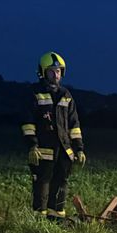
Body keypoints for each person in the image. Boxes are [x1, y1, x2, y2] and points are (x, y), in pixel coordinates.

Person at [20, 51, 85, 219]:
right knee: (42, 185)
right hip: (43, 151)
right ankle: (39, 222)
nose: (55, 75)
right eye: (51, 71)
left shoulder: (66, 95)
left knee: (61, 184)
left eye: (58, 71)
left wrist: (79, 149)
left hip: (65, 151)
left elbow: (74, 125)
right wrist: (32, 146)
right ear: (42, 72)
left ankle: (57, 219)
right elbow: (28, 124)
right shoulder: (35, 93)